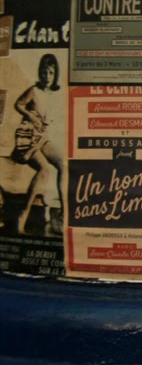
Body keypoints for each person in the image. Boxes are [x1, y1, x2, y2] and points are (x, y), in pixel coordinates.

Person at [13, 53, 64, 235]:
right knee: (45, 169)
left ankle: (64, 213)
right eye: (44, 72)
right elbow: (18, 104)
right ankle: (23, 214)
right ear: (39, 73)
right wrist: (30, 115)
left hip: (42, 137)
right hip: (27, 136)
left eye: (50, 73)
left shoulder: (54, 94)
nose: (46, 77)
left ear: (55, 75)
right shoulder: (34, 90)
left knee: (63, 164)